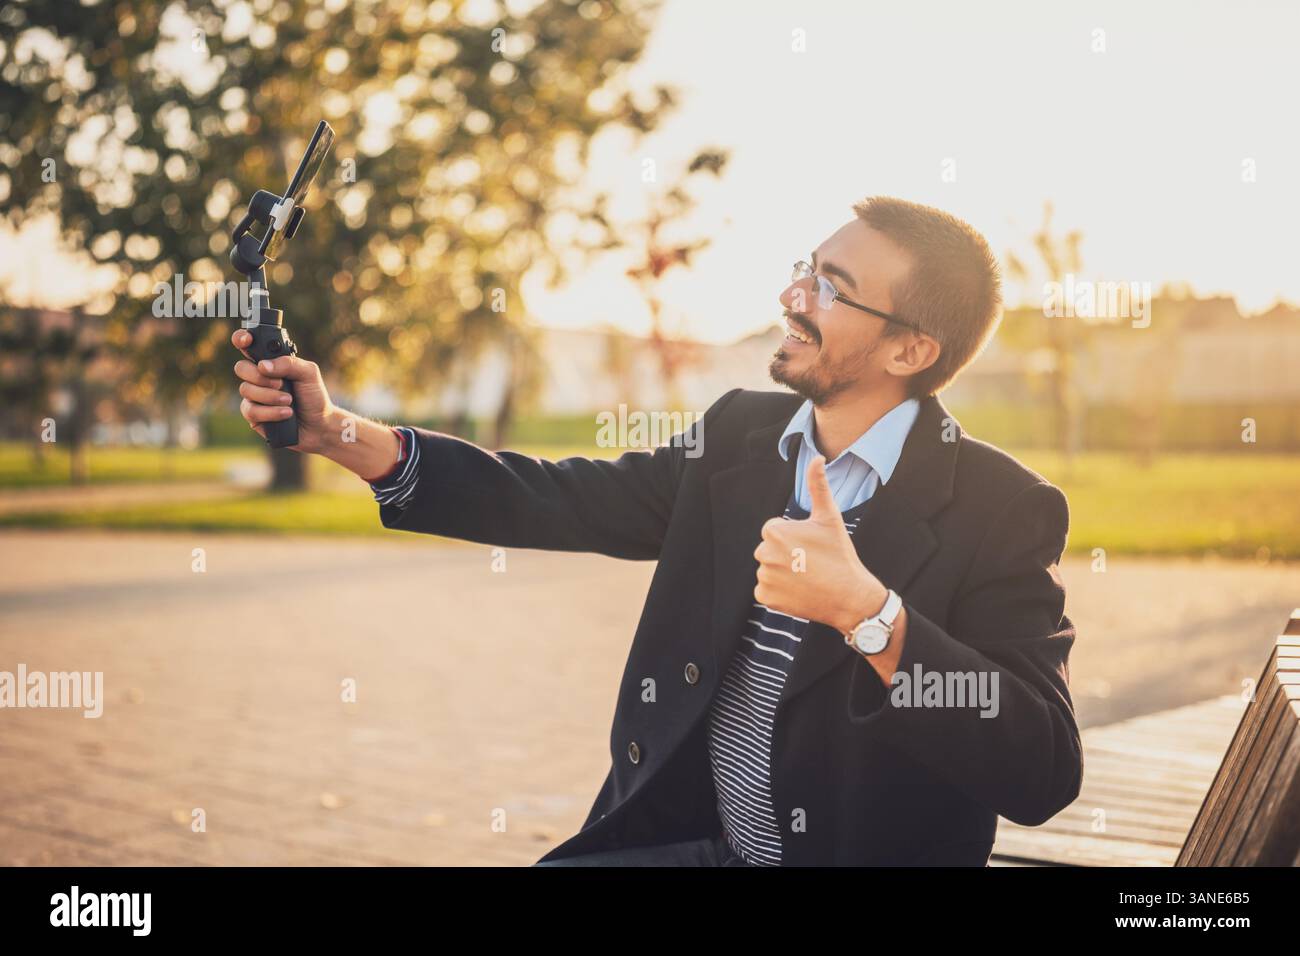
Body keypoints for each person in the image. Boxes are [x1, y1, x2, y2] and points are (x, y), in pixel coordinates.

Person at [231, 196, 1081, 866]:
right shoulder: (744, 436)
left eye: (830, 287)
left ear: (909, 352)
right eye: (806, 270)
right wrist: (338, 432)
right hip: (688, 843)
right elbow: (561, 499)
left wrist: (871, 615)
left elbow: (1040, 768)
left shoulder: (1003, 509)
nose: (792, 297)